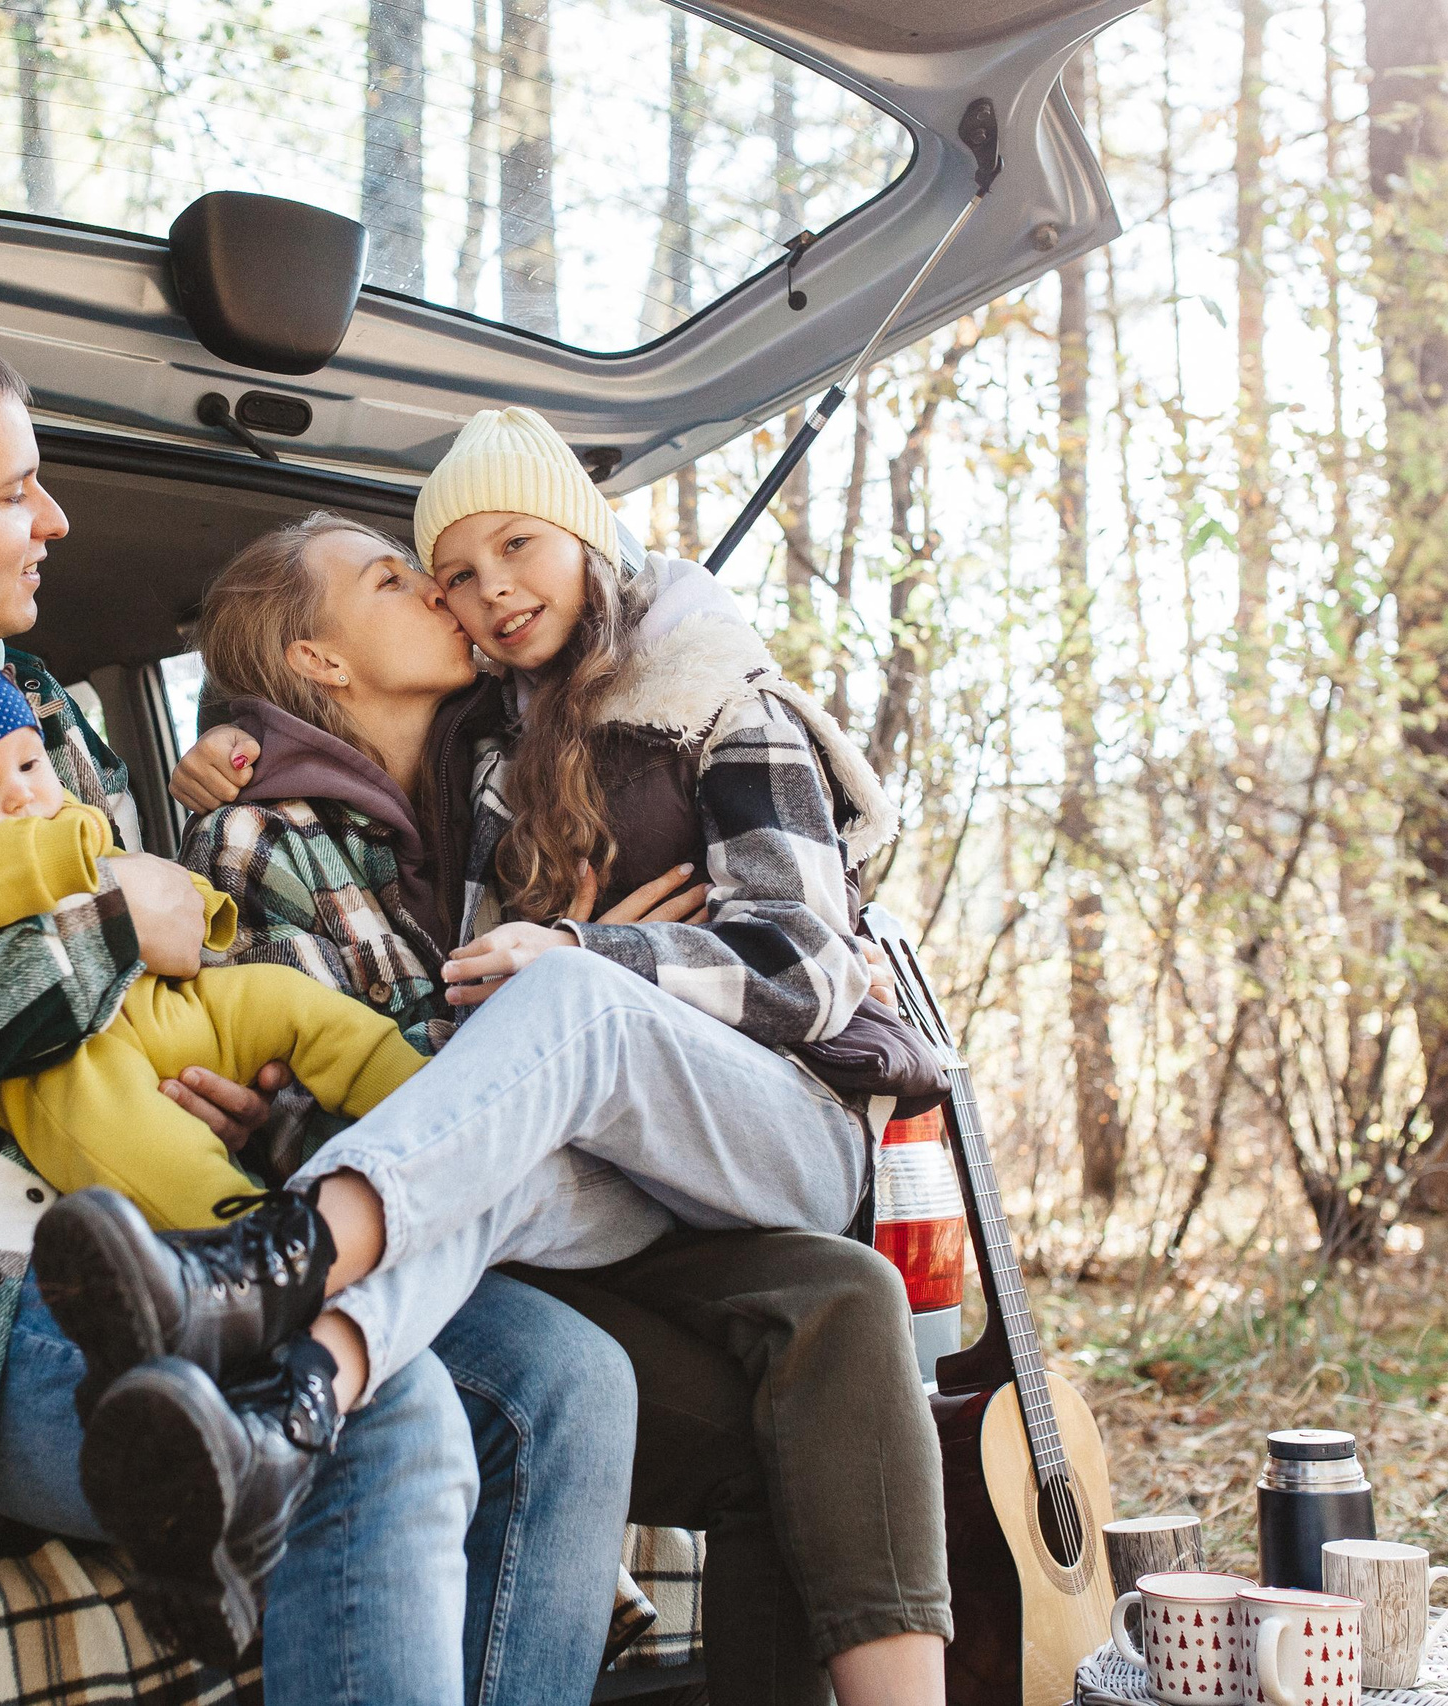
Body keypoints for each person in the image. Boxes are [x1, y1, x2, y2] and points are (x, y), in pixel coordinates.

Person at [0, 328, 636, 1706]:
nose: (56, 518)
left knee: (569, 1382)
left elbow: (167, 972)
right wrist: (101, 937)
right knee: (380, 1423)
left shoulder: (41, 705)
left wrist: (257, 1093)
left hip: (186, 1225)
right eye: (17, 488)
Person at [89, 406, 954, 1706]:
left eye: (517, 548)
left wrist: (594, 954)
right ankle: (298, 1399)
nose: (485, 596)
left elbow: (810, 965)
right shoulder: (484, 758)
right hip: (602, 1163)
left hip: (767, 1120)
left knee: (571, 1013)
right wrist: (238, 755)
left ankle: (279, 1271)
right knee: (836, 1307)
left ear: (587, 533)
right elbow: (408, 1022)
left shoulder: (724, 705)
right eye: (445, 578)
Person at [0, 625, 427, 1231]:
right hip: (68, 1057)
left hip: (171, 1004)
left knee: (298, 1005)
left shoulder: (70, 817)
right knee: (141, 1150)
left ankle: (427, 1115)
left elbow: (146, 881)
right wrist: (48, 855)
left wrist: (203, 907)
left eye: (31, 765)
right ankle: (249, 1243)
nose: (20, 797)